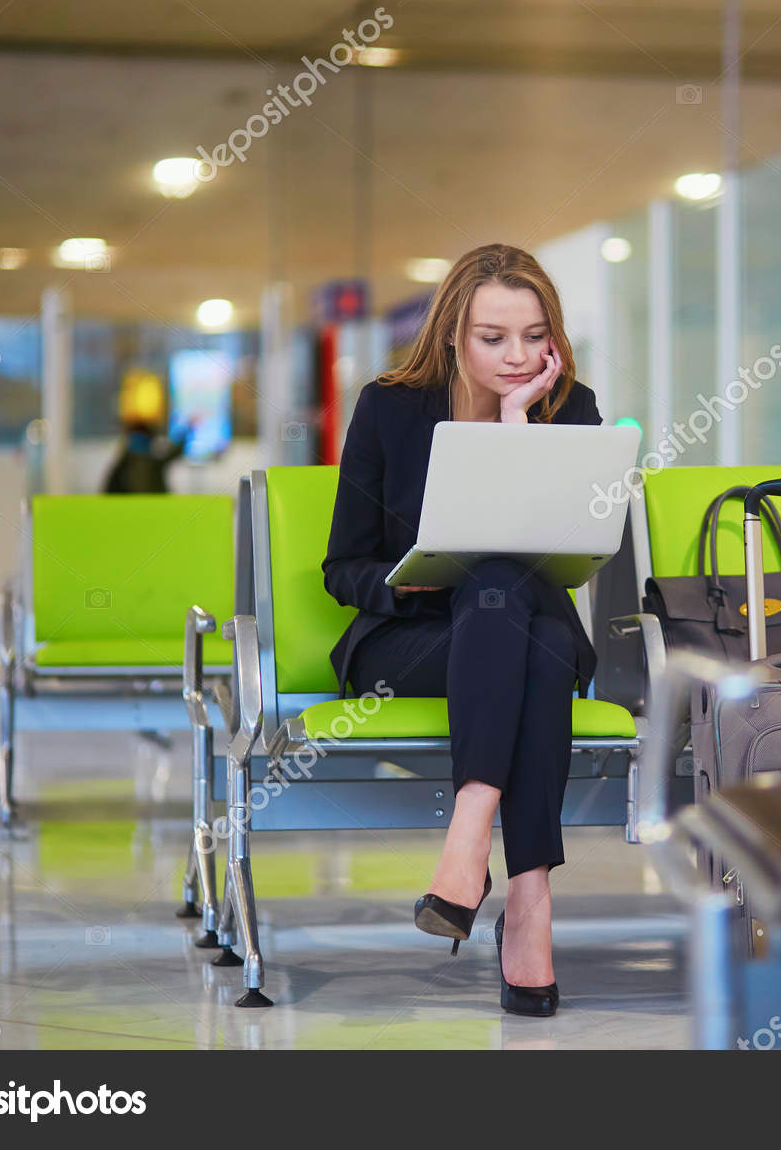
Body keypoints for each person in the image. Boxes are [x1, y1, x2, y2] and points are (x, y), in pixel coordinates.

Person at [322, 243, 602, 1017]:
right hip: (413, 640)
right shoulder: (389, 407)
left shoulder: (570, 409)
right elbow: (342, 565)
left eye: (535, 335)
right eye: (494, 337)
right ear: (452, 332)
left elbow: (574, 555)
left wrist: (516, 428)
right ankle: (526, 902)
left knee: (510, 588)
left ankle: (471, 840)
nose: (520, 356)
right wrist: (400, 575)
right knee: (502, 594)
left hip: (529, 638)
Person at [102, 419, 189, 494]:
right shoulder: (124, 463)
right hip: (133, 506)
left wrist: (186, 433)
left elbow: (172, 454)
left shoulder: (154, 461)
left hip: (154, 505)